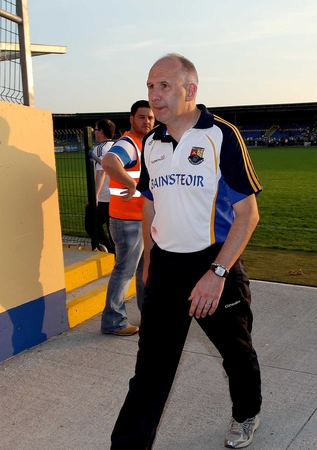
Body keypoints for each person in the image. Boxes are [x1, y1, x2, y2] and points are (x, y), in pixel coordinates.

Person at [110, 54, 263, 449]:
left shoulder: (221, 135)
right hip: (164, 267)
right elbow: (149, 202)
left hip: (212, 263)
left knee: (235, 351)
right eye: (149, 86)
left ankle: (246, 414)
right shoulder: (153, 144)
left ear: (190, 90)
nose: (154, 96)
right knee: (151, 372)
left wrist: (217, 274)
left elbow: (248, 214)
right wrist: (148, 257)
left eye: (163, 86)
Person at [99, 101, 154, 336]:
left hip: (141, 219)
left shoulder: (145, 143)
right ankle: (113, 322)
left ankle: (148, 316)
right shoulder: (129, 143)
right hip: (127, 221)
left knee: (145, 271)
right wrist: (130, 182)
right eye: (142, 117)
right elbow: (109, 162)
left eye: (150, 118)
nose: (147, 121)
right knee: (125, 271)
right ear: (131, 119)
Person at [88, 118, 116, 254]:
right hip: (115, 196)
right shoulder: (117, 146)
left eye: (96, 130)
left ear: (102, 132)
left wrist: (95, 196)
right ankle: (116, 254)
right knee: (113, 230)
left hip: (104, 197)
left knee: (90, 225)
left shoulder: (100, 148)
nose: (95, 133)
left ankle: (110, 251)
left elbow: (101, 172)